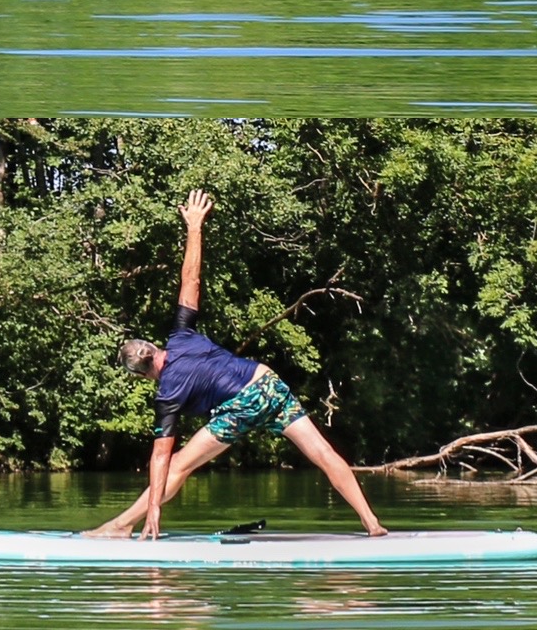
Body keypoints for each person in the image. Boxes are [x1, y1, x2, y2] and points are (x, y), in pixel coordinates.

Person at [90, 188, 389, 542]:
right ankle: (372, 523)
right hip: (268, 384)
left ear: (141, 375)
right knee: (323, 452)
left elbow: (160, 456)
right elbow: (191, 280)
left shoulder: (167, 391)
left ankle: (122, 525)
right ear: (153, 347)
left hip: (240, 404)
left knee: (180, 464)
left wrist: (155, 506)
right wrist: (195, 226)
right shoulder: (181, 335)